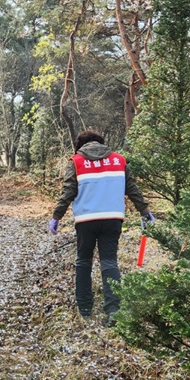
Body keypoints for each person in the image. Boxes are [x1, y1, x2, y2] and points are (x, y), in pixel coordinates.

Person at [49, 130, 155, 326]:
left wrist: (56, 217)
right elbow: (132, 188)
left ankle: (85, 308)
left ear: (80, 145)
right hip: (113, 219)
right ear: (100, 142)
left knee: (83, 262)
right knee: (109, 262)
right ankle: (113, 310)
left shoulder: (76, 161)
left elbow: (68, 192)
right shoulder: (118, 160)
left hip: (86, 220)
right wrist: (145, 212)